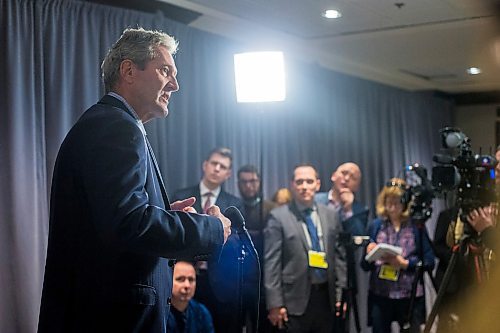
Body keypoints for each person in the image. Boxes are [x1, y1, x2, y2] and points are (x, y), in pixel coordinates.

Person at [37, 28, 231, 333]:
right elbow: (129, 223)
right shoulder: (115, 128)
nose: (175, 85)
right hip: (111, 320)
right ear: (129, 70)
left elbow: (117, 219)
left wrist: (166, 216)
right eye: (165, 70)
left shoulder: (113, 124)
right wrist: (211, 228)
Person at [264, 164, 346, 333]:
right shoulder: (278, 217)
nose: (304, 187)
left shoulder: (331, 215)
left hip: (326, 298)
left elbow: (339, 258)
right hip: (293, 301)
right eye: (299, 182)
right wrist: (274, 303)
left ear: (318, 184)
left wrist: (340, 295)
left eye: (309, 181)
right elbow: (271, 263)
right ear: (292, 185)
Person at [172, 147, 244, 333]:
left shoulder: (235, 204)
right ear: (205, 165)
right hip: (184, 276)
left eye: (223, 166)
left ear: (228, 174)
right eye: (214, 163)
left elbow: (237, 243)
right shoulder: (181, 196)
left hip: (220, 279)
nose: (217, 168)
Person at [362, 178, 435, 333]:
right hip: (381, 294)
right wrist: (370, 252)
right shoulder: (376, 225)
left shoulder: (416, 226)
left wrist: (405, 264)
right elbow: (364, 265)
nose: (392, 206)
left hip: (409, 296)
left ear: (405, 203)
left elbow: (429, 261)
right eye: (389, 201)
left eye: (397, 201)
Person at [237, 164, 276, 332]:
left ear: (259, 181)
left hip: (264, 275)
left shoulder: (271, 209)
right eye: (244, 182)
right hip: (237, 276)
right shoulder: (234, 206)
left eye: (252, 181)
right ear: (238, 183)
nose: (248, 185)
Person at [315, 162, 369, 236]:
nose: (347, 179)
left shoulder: (361, 210)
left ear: (357, 187)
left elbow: (358, 239)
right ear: (333, 176)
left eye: (353, 177)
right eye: (344, 173)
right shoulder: (315, 200)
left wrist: (348, 211)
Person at [167, 261, 215, 333]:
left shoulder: (202, 313)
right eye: (180, 279)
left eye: (191, 280)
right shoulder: (162, 313)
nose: (187, 285)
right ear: (169, 281)